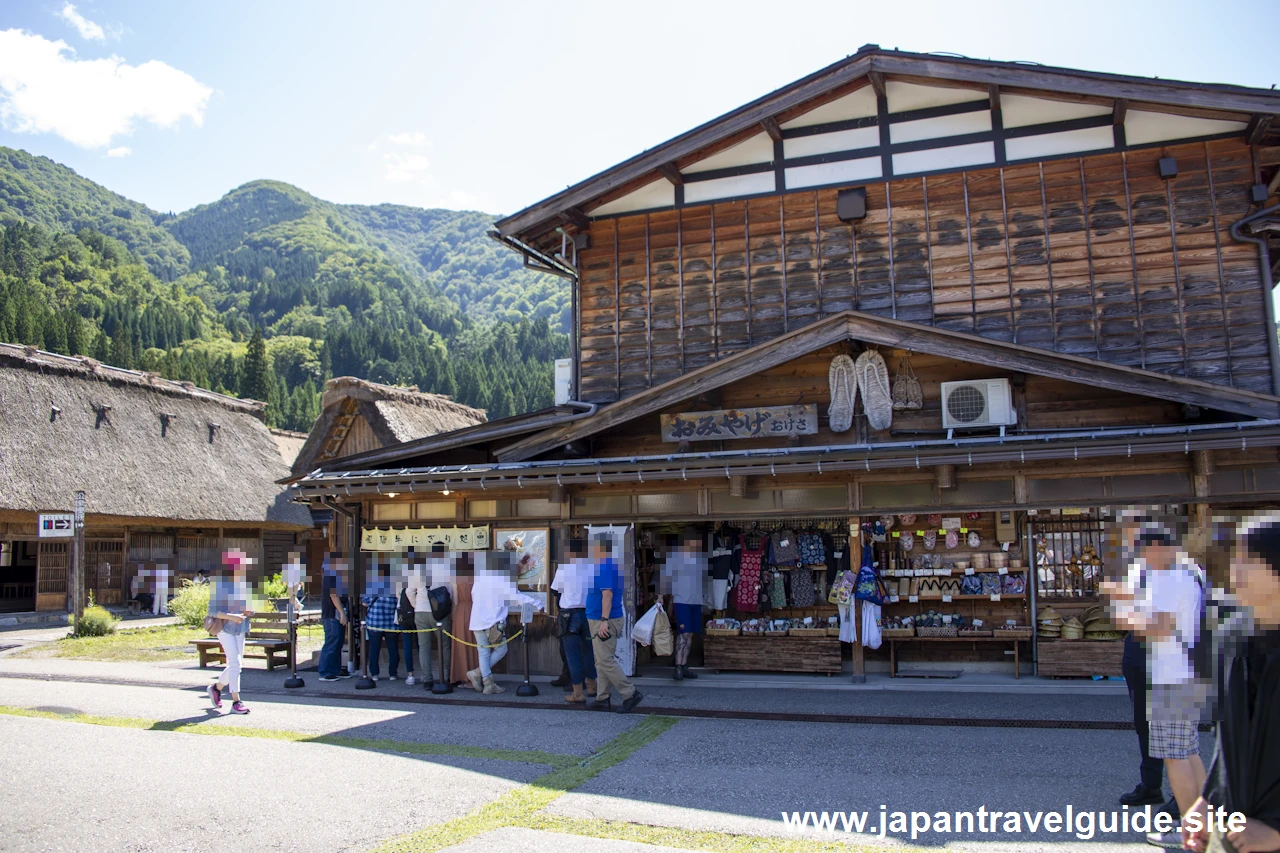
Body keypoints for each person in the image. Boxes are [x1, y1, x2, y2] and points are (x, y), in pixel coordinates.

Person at [1183, 516, 1280, 853]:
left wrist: (1276, 834)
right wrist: (1209, 800)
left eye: (1249, 561)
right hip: (1237, 827)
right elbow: (1229, 739)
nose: (1234, 570)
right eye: (1235, 559)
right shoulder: (1233, 638)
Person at [1111, 519, 1207, 847]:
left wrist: (1126, 618)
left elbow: (1158, 627)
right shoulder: (1193, 572)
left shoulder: (1171, 577)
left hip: (1170, 674)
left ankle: (1188, 828)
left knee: (1175, 755)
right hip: (1189, 671)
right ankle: (1204, 822)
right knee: (1189, 750)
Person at [586, 534, 642, 713]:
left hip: (604, 620)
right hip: (601, 618)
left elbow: (607, 595)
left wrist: (603, 621)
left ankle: (630, 693)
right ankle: (602, 698)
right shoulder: (608, 565)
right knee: (601, 661)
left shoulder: (605, 566)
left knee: (605, 660)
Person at [206, 549, 253, 714]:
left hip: (241, 628)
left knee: (236, 665)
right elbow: (212, 611)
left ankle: (216, 688)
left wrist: (248, 611)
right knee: (235, 664)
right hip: (225, 628)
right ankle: (236, 701)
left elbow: (250, 608)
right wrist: (232, 616)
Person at [551, 538, 596, 703]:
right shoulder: (592, 566)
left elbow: (555, 591)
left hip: (569, 615)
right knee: (589, 652)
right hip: (589, 613)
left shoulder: (564, 567)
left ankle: (578, 692)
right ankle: (592, 686)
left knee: (573, 655)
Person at [468, 552, 518, 695]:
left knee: (483, 653)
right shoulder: (501, 578)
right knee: (501, 649)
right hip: (493, 621)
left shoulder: (480, 578)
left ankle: (485, 680)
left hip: (478, 620)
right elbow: (513, 596)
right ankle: (481, 676)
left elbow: (473, 596)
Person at [660, 527, 707, 681]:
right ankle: (678, 666)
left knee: (690, 634)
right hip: (682, 600)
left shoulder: (701, 557)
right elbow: (665, 577)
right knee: (683, 633)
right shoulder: (675, 557)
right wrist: (660, 597)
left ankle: (684, 665)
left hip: (697, 601)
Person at [405, 546, 454, 689]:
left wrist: (417, 606)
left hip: (420, 612)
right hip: (440, 612)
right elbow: (450, 591)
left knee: (424, 647)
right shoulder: (447, 569)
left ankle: (427, 680)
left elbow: (409, 591)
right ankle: (445, 677)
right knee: (444, 645)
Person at [361, 561, 411, 682]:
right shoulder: (396, 585)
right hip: (391, 624)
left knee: (374, 649)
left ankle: (374, 674)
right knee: (393, 648)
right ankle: (393, 674)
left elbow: (364, 602)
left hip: (374, 622)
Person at [318, 555, 350, 682]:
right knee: (331, 642)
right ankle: (325, 671)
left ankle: (335, 669)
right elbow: (333, 595)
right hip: (331, 615)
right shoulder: (329, 578)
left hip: (336, 615)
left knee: (338, 643)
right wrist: (342, 612)